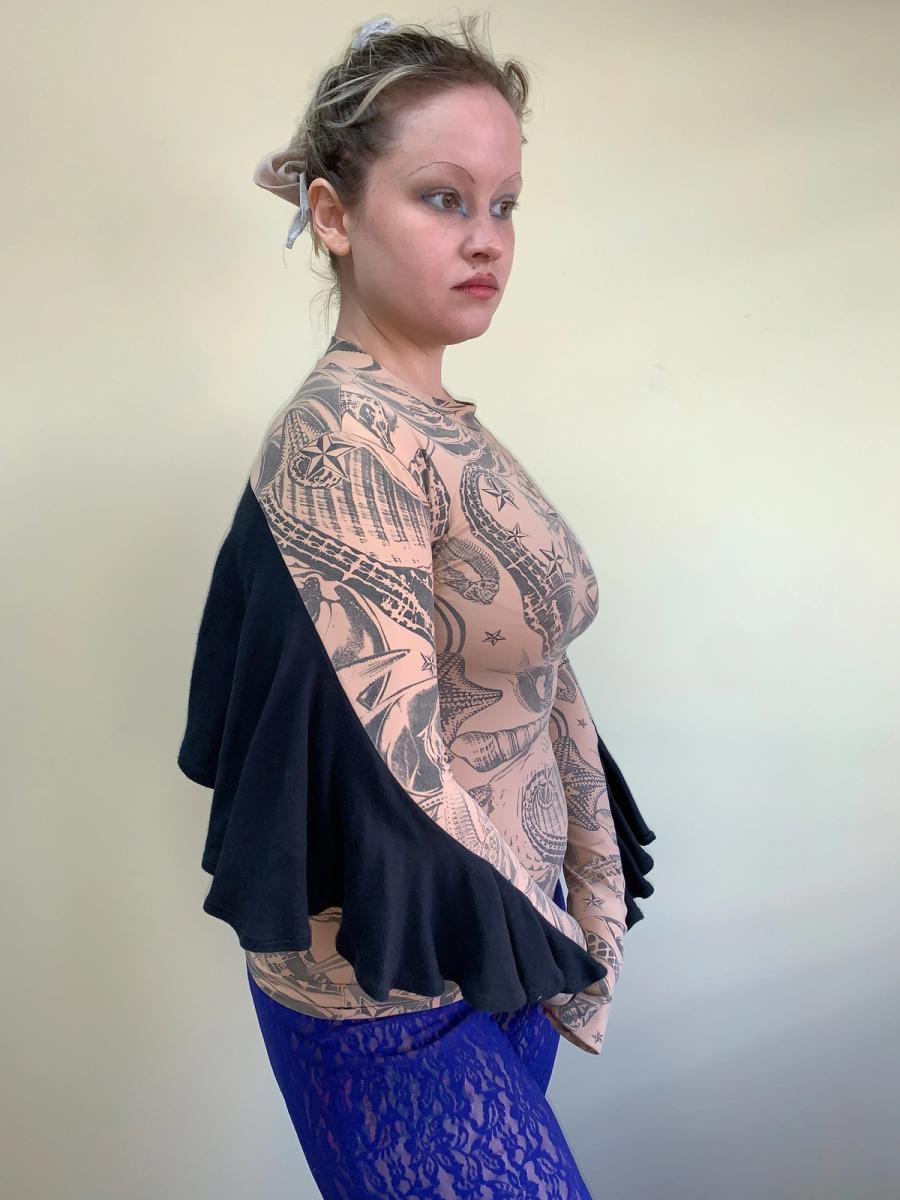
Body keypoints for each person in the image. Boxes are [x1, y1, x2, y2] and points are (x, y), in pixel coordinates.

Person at [177, 12, 656, 1197]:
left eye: (506, 204)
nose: (487, 237)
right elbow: (392, 757)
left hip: (495, 944)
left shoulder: (442, 424)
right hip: (391, 993)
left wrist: (589, 881)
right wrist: (556, 925)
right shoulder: (343, 439)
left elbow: (538, 668)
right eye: (444, 198)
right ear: (334, 214)